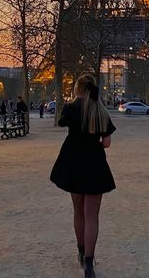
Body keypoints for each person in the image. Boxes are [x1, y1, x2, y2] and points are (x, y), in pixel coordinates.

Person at [50, 74, 116, 278]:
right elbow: (106, 143)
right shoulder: (100, 110)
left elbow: (63, 124)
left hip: (73, 163)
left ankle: (80, 253)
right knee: (92, 215)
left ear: (77, 89)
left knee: (78, 210)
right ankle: (89, 262)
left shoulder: (71, 108)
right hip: (94, 163)